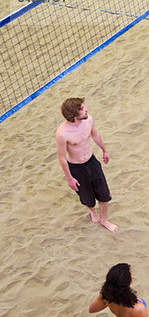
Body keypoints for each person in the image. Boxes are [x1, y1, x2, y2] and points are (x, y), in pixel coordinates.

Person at [56, 97, 118, 232]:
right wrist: (69, 178)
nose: (86, 110)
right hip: (76, 169)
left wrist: (104, 150)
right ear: (74, 115)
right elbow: (62, 157)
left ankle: (104, 220)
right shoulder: (62, 134)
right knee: (87, 198)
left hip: (92, 162)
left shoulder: (88, 120)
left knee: (104, 194)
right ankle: (93, 212)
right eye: (82, 109)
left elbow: (95, 135)